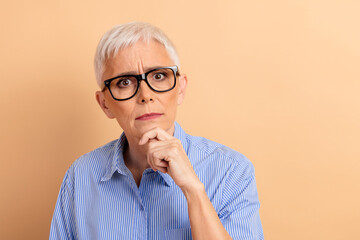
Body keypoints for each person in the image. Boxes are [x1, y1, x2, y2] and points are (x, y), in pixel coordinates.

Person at [50, 22, 264, 240]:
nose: (145, 95)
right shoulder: (80, 176)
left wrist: (192, 189)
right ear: (105, 103)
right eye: (124, 82)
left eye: (159, 76)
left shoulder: (231, 172)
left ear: (180, 88)